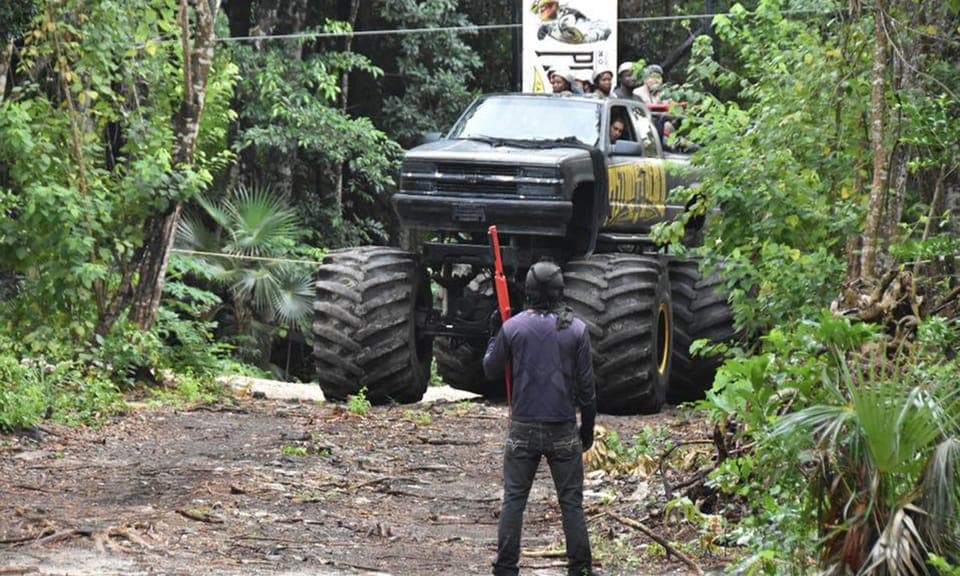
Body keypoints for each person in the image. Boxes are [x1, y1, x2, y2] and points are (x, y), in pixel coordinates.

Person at [484, 261, 598, 576]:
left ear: (529, 292)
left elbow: (490, 369)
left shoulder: (514, 326)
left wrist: (496, 332)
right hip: (563, 429)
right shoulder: (576, 329)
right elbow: (588, 390)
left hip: (522, 427)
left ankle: (506, 568)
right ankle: (581, 570)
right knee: (571, 503)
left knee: (514, 501)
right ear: (561, 291)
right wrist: (585, 431)